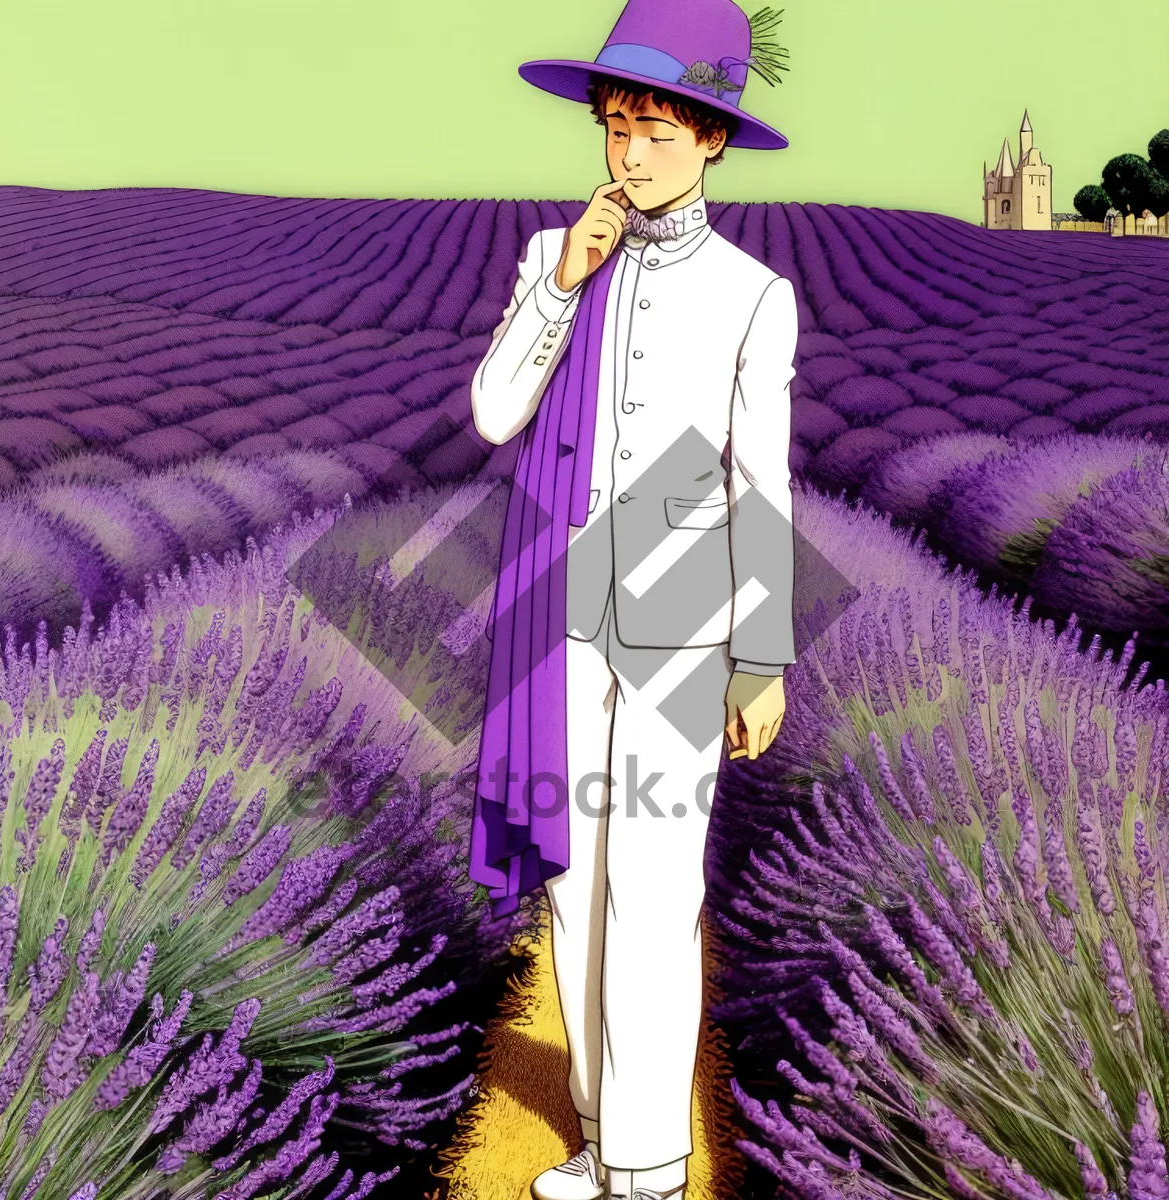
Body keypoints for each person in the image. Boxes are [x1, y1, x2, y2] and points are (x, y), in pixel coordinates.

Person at [467, 1, 798, 1196]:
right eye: (617, 125)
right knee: (575, 889)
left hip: (678, 635)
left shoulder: (755, 296)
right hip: (552, 628)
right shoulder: (554, 257)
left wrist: (759, 659)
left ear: (712, 137)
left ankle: (652, 1170)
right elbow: (498, 413)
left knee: (656, 893)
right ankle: (606, 1136)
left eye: (657, 128)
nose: (630, 153)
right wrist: (564, 280)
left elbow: (760, 483)